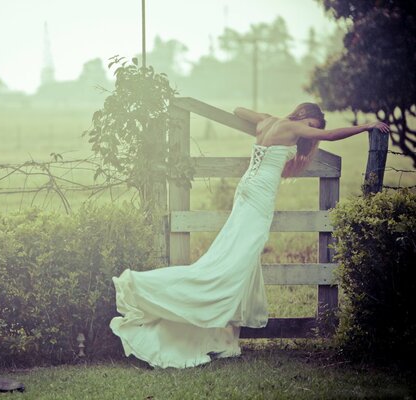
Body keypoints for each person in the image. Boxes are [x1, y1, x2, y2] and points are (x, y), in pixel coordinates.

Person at [109, 102, 390, 369]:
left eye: (312, 126)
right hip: (259, 196)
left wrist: (264, 116)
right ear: (303, 114)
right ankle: (143, 286)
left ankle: (225, 337)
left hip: (246, 189)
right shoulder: (294, 129)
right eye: (310, 123)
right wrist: (367, 125)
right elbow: (330, 135)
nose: (311, 130)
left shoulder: (268, 121)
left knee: (238, 259)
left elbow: (237, 110)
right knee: (229, 264)